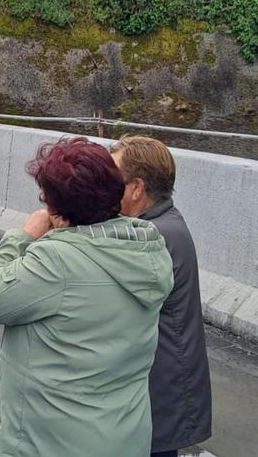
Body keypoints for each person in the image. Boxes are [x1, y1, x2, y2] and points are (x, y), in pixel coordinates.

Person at [0, 137, 174, 456]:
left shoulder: (56, 261)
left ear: (55, 206)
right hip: (124, 436)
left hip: (53, 442)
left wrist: (22, 237)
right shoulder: (148, 246)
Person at [109, 136, 212, 457]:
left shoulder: (154, 235)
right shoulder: (163, 223)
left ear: (137, 188)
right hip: (163, 389)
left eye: (112, 179)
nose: (104, 187)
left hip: (160, 395)